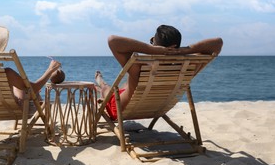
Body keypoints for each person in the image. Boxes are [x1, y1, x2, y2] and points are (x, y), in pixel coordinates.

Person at [95, 24, 223, 120]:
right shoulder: (187, 68)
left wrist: (152, 50)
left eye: (152, 41)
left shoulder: (140, 67)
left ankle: (100, 82)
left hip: (119, 109)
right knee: (124, 85)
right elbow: (218, 43)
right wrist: (184, 51)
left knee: (107, 89)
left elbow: (113, 41)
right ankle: (102, 83)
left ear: (155, 46)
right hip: (157, 108)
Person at [0, 25, 61, 108]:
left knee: (22, 87)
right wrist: (50, 70)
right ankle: (45, 121)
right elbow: (33, 89)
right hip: (9, 109)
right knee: (33, 90)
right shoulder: (6, 74)